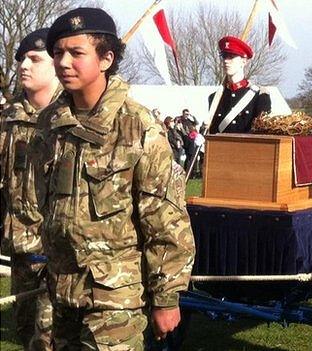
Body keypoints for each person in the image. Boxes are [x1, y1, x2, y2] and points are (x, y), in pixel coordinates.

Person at [34, 8, 195, 349]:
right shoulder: (50, 125)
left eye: (76, 53)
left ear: (106, 58)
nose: (63, 62)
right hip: (61, 294)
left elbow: (166, 221)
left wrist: (166, 297)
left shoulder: (138, 128)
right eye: (58, 53)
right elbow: (46, 205)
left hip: (114, 300)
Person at [0, 27, 58, 351]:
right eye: (21, 58)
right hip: (21, 250)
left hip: (59, 253)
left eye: (34, 58)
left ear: (54, 64)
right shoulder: (9, 120)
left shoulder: (70, 116)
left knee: (47, 338)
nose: (23, 65)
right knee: (24, 331)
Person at [207, 36, 271, 134]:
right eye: (224, 56)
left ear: (243, 61)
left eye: (231, 56)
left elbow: (263, 133)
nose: (226, 61)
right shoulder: (215, 98)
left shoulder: (259, 96)